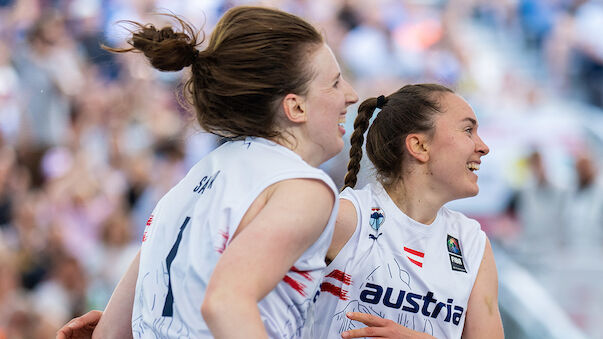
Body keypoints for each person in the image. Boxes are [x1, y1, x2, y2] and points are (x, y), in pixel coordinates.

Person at [58, 5, 358, 338]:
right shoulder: (301, 187)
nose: (350, 95)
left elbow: (109, 333)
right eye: (334, 83)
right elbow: (225, 302)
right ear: (295, 106)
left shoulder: (188, 183)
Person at [312, 84, 503, 338]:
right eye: (468, 130)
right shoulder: (349, 217)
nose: (483, 147)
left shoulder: (472, 243)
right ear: (419, 146)